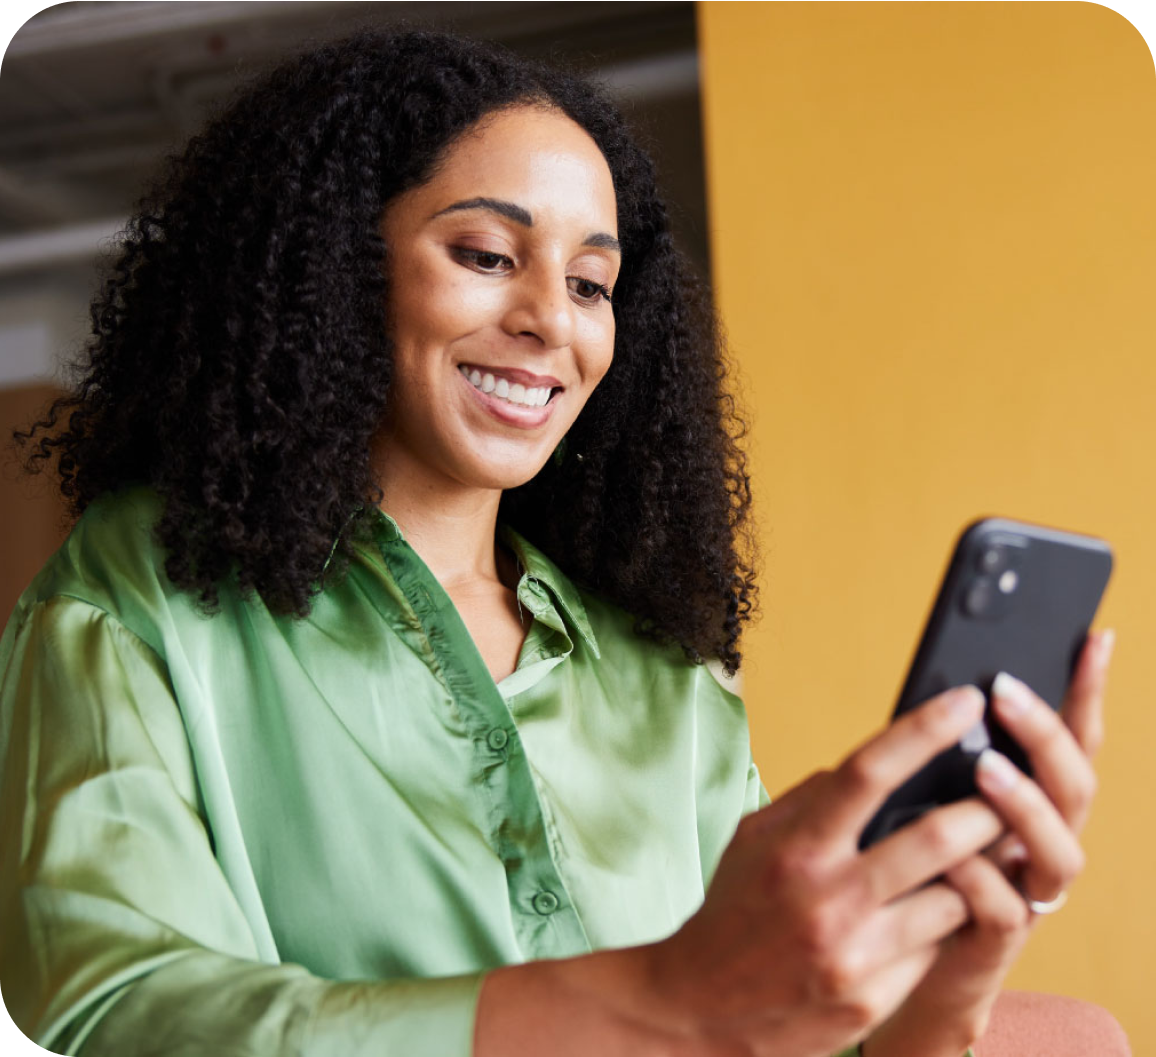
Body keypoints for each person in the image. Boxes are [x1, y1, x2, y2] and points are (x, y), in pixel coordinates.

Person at [0, 30, 1127, 1057]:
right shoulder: (141, 590)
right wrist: (664, 1003)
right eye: (487, 255)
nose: (555, 319)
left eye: (593, 281)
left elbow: (773, 1026)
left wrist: (942, 989)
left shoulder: (662, 671)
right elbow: (109, 1011)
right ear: (333, 272)